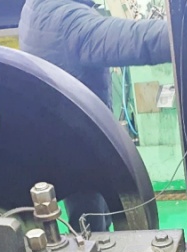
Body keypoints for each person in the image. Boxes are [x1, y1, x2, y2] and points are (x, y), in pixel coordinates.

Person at [19, 0, 171, 231]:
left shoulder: (34, 8)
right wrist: (185, 33)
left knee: (86, 212)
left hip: (60, 137)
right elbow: (136, 40)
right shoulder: (69, 22)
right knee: (92, 224)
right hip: (84, 145)